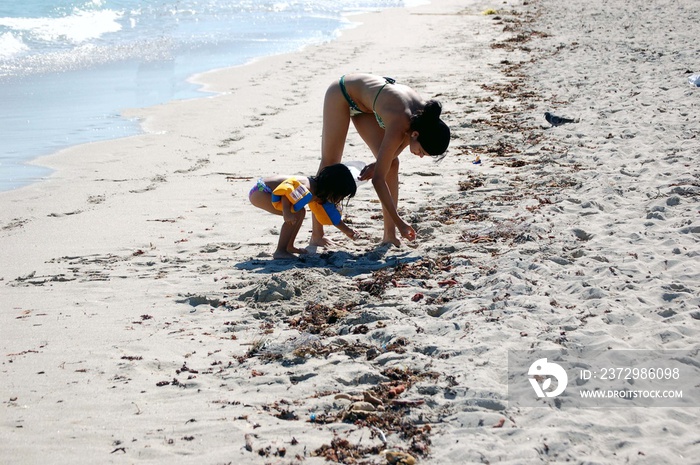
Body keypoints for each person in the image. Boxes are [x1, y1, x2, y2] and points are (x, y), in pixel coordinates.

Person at [312, 73, 450, 247]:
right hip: (342, 94)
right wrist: (400, 221)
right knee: (330, 164)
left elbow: (391, 156)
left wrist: (379, 164)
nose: (420, 156)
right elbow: (378, 180)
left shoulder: (422, 120)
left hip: (366, 107)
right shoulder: (402, 121)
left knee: (392, 164)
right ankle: (317, 235)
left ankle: (389, 235)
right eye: (422, 152)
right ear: (415, 135)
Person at [249, 163, 358, 259]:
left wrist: (348, 231)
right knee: (297, 212)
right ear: (333, 188)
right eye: (340, 196)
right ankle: (280, 251)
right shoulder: (308, 187)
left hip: (264, 191)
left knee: (300, 212)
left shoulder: (320, 194)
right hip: (261, 191)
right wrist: (287, 212)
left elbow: (331, 216)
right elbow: (286, 194)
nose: (339, 200)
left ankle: (289, 246)